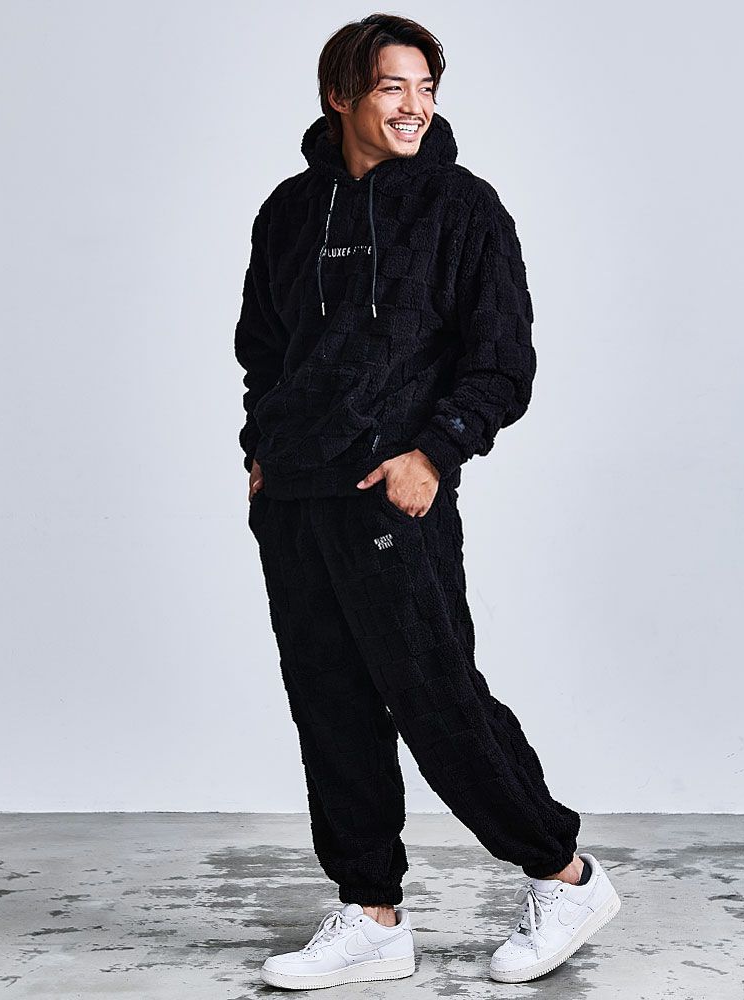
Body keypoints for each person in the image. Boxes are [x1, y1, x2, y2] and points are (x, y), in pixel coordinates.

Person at [234, 13, 620, 989]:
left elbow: (501, 362)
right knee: (327, 702)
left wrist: (434, 454)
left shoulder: (461, 208)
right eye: (392, 87)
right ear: (341, 96)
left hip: (390, 497)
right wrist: (259, 452)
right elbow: (263, 353)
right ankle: (371, 913)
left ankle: (564, 875)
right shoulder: (289, 211)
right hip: (297, 499)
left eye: (426, 89)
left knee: (434, 696)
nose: (414, 106)